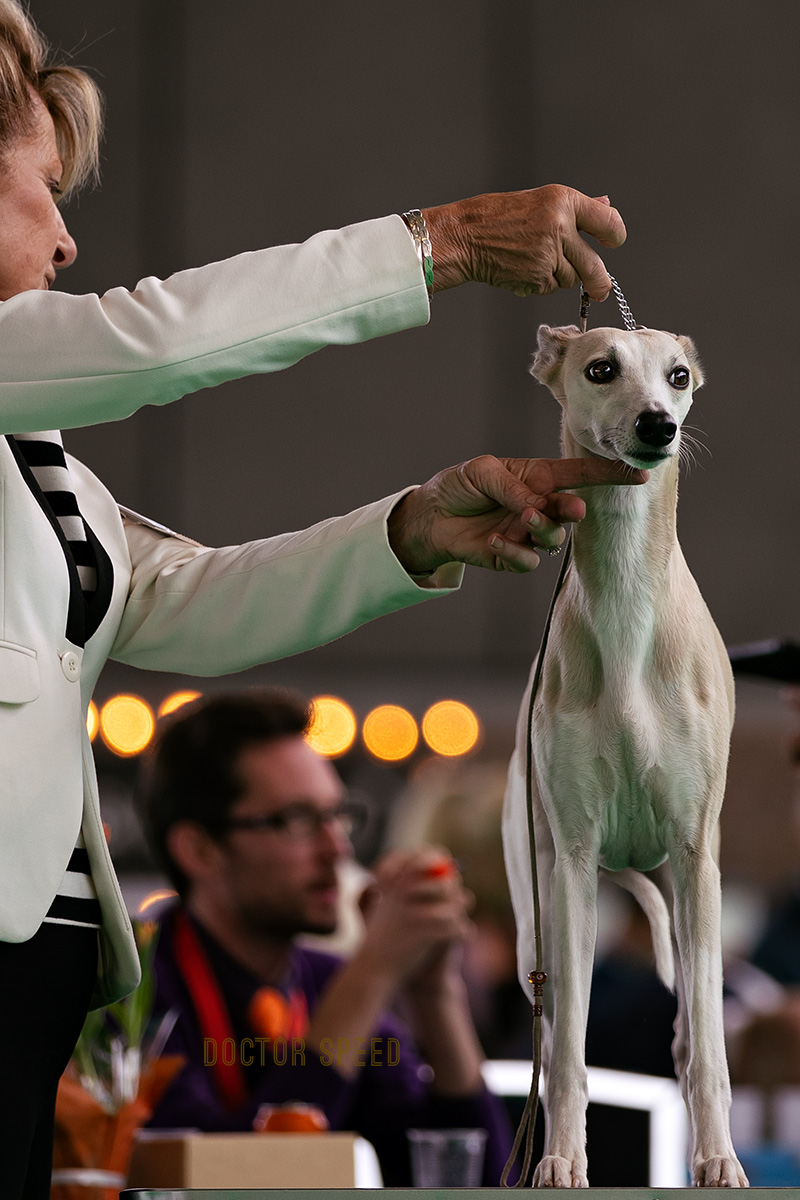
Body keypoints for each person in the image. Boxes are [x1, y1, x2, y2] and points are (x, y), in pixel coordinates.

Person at [0, 2, 646, 1194]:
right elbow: (148, 345)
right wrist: (434, 245)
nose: (69, 241)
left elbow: (182, 601)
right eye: (46, 189)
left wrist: (409, 532)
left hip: (36, 967)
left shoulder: (39, 463)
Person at [139, 691, 513, 1184]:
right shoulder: (133, 988)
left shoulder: (325, 983)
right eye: (297, 820)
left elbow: (474, 1183)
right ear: (199, 850)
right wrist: (373, 971)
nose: (337, 848)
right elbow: (226, 1184)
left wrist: (434, 992)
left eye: (336, 816)